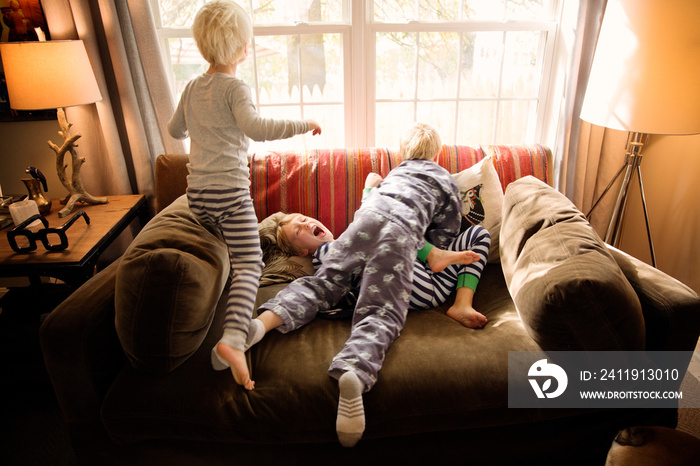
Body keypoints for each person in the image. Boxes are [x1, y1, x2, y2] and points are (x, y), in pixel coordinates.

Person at [252, 122, 477, 447]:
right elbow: (443, 226)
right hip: (408, 266)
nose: (304, 221)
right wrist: (434, 246)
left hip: (380, 236)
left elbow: (373, 212)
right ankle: (356, 372)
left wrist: (371, 192)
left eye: (302, 216)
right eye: (298, 228)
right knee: (382, 312)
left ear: (403, 153)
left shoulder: (348, 235)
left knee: (320, 288)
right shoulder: (437, 179)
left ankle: (262, 323)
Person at [167, 0, 321, 391]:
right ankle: (234, 340)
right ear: (239, 48)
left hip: (198, 196)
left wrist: (200, 125)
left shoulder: (190, 86)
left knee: (233, 261)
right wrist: (305, 123)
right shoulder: (235, 87)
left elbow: (175, 131)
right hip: (229, 198)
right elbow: (257, 127)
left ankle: (228, 341)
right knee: (250, 266)